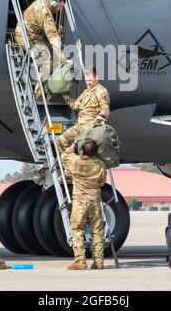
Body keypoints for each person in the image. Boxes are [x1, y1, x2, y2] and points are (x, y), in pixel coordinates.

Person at [60, 138, 107, 270]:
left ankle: (80, 261)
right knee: (97, 231)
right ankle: (98, 262)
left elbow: (64, 155)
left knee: (77, 229)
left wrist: (74, 144)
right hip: (95, 201)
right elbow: (102, 182)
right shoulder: (100, 164)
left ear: (82, 150)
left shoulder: (75, 161)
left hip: (80, 202)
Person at [15, 0, 66, 99]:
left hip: (32, 34)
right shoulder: (46, 15)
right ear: (54, 4)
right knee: (47, 61)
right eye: (60, 7)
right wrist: (62, 56)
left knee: (52, 52)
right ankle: (38, 93)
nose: (61, 9)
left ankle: (49, 84)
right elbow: (53, 39)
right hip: (27, 38)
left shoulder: (41, 1)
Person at [57, 67, 110, 155]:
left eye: (90, 80)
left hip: (90, 127)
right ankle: (69, 162)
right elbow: (75, 105)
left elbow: (105, 107)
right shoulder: (86, 92)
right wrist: (65, 95)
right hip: (79, 126)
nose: (88, 83)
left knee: (83, 149)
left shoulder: (101, 91)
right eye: (86, 80)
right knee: (61, 140)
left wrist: (102, 116)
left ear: (96, 77)